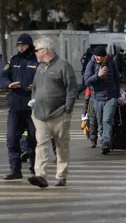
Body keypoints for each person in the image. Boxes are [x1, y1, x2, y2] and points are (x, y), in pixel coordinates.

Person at [28, 36, 78, 188]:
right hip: (40, 115)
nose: (35, 53)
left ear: (45, 50)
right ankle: (40, 176)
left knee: (61, 146)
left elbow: (72, 89)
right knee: (41, 145)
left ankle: (61, 176)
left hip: (59, 114)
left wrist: (67, 110)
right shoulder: (40, 68)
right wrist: (34, 103)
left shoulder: (64, 66)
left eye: (36, 50)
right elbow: (35, 88)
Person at [0, 33, 38, 180]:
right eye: (18, 45)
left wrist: (34, 87)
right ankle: (15, 169)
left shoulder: (37, 60)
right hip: (15, 105)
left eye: (23, 45)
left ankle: (35, 170)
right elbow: (3, 76)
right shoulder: (14, 60)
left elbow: (43, 78)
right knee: (11, 139)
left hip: (32, 106)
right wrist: (8, 84)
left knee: (34, 139)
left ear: (29, 45)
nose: (20, 48)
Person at [84, 46, 120, 155]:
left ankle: (106, 143)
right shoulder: (91, 64)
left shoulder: (111, 62)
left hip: (111, 97)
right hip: (97, 98)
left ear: (105, 56)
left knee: (107, 120)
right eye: (96, 56)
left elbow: (116, 78)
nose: (97, 58)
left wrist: (117, 94)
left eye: (100, 56)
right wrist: (98, 75)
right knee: (100, 123)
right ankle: (104, 140)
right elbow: (86, 81)